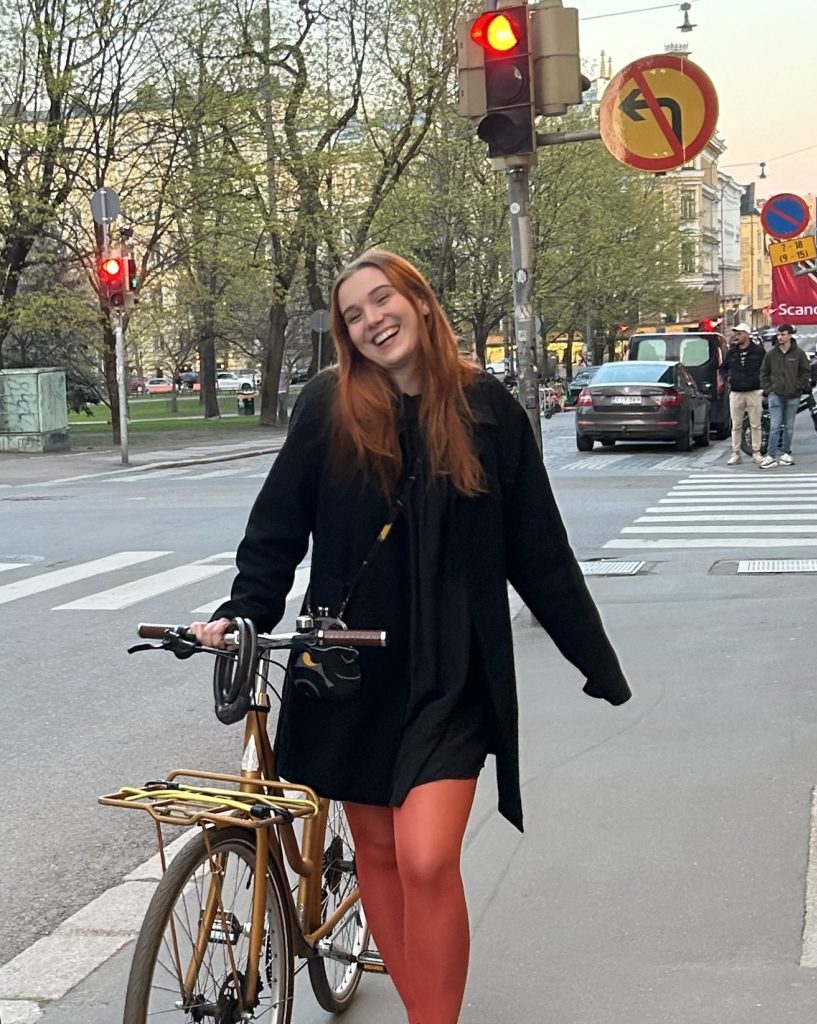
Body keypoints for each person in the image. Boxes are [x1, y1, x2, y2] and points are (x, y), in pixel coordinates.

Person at [189, 249, 631, 1024]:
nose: (371, 321)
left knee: (427, 857)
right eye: (353, 316)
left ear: (421, 303)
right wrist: (246, 611)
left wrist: (594, 660)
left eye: (382, 300)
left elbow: (540, 551)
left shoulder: (487, 410)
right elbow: (278, 526)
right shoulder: (330, 407)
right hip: (352, 669)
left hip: (452, 674)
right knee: (384, 856)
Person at [759, 322, 812, 468]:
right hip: (775, 394)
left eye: (783, 334)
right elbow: (764, 372)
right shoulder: (771, 354)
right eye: (778, 334)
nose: (780, 337)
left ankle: (786, 453)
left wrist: (799, 387)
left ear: (789, 336)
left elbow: (805, 372)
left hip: (793, 395)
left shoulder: (798, 353)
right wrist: (769, 389)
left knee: (789, 426)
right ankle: (770, 455)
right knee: (775, 426)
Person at [719, 321, 765, 465]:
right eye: (736, 333)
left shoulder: (758, 351)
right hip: (736, 391)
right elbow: (723, 368)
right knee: (736, 424)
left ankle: (756, 452)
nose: (737, 336)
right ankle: (736, 453)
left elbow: (766, 368)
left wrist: (762, 383)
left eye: (739, 333)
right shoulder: (732, 352)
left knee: (755, 424)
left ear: (747, 335)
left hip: (754, 390)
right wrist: (728, 378)